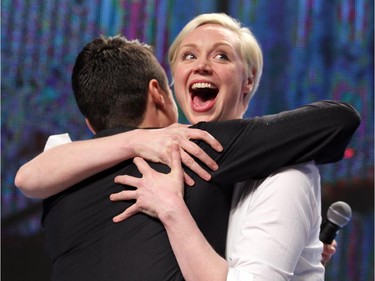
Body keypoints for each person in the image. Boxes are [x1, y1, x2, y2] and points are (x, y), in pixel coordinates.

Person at [15, 15, 359, 281]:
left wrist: (293, 252)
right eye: (188, 55)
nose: (202, 65)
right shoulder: (192, 148)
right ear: (164, 89)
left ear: (249, 79)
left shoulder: (66, 170)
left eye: (222, 55)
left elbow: (28, 179)